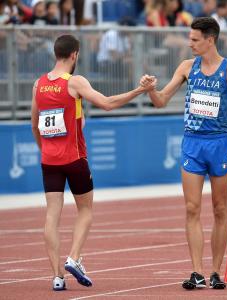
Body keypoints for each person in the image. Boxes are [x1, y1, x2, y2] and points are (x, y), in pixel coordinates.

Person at [140, 17, 227, 290]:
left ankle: (216, 271)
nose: (189, 43)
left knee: (220, 208)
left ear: (209, 39)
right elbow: (161, 101)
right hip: (192, 143)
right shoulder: (187, 68)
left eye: (194, 39)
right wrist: (151, 89)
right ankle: (197, 272)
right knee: (191, 208)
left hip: (220, 144)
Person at [31, 34, 149, 291]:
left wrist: (46, 150)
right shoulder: (74, 82)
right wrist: (140, 90)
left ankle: (57, 277)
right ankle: (74, 257)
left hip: (49, 160)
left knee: (52, 215)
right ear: (75, 54)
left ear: (55, 54)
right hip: (74, 159)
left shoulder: (38, 85)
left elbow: (34, 125)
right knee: (85, 210)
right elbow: (107, 103)